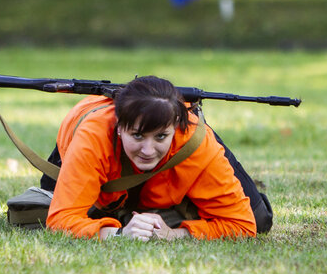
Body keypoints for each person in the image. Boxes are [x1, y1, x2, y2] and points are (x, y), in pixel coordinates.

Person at [39, 75, 273, 241]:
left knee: (260, 218)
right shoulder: (93, 138)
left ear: (176, 127)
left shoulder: (195, 143)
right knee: (45, 207)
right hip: (88, 151)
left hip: (176, 161)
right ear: (119, 128)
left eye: (161, 136)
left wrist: (175, 234)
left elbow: (242, 225)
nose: (148, 150)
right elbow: (60, 221)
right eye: (138, 135)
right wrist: (119, 234)